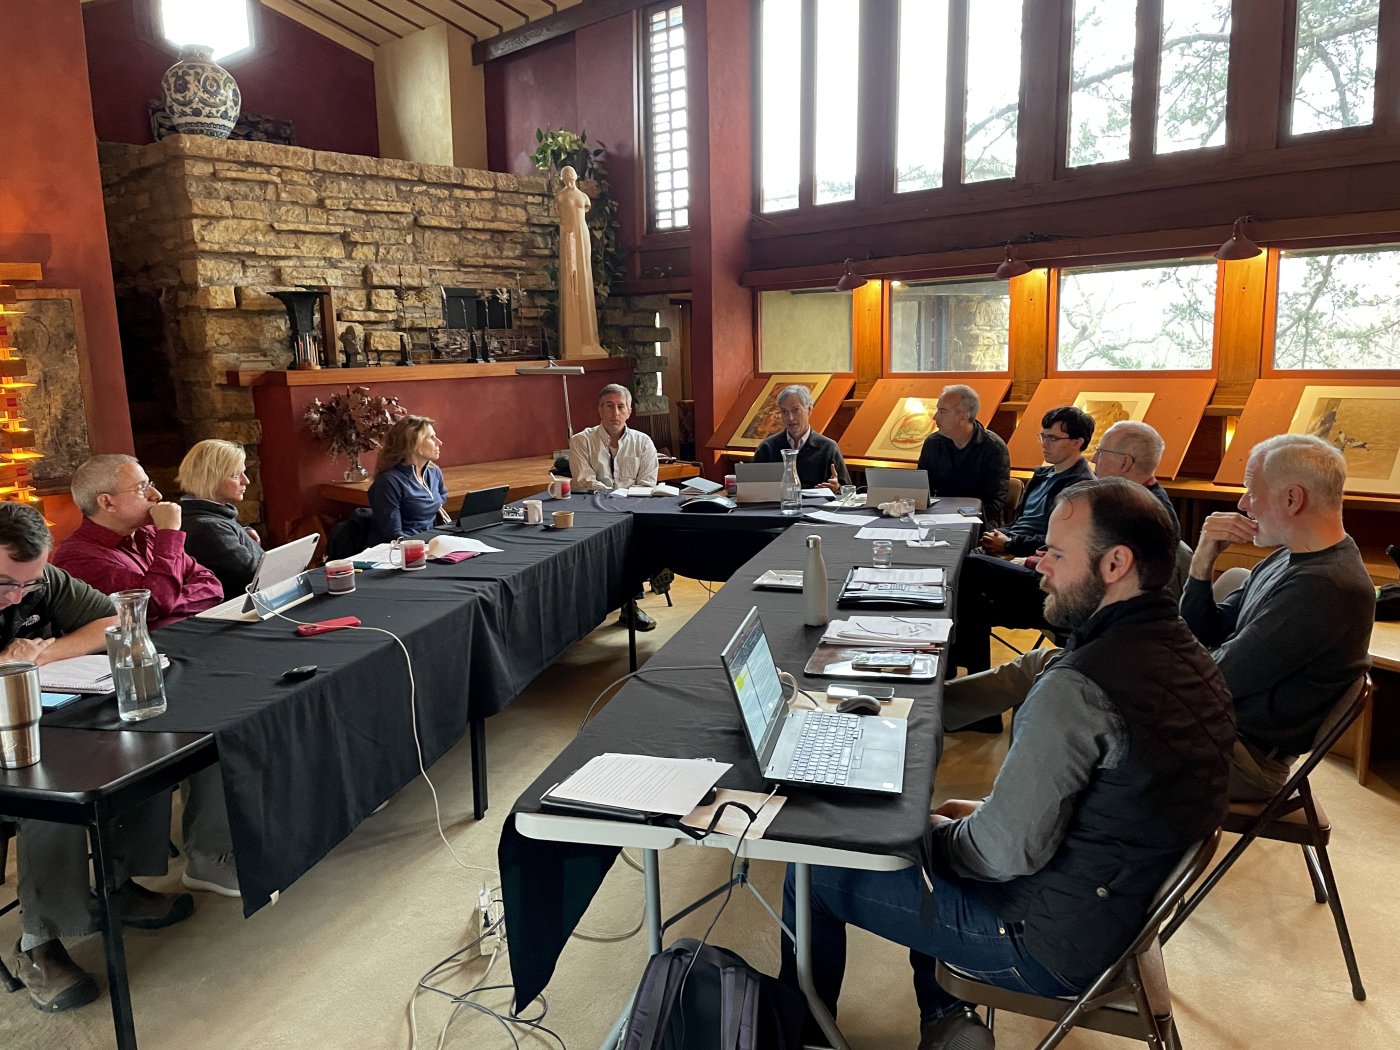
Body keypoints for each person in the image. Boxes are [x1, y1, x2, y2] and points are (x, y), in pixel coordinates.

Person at [779, 478, 1234, 1050]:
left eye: (1058, 554)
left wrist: (926, 837)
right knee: (940, 835)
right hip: (1116, 907)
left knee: (814, 869)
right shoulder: (1188, 653)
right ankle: (946, 1020)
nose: (1039, 565)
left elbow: (1000, 853)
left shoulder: (1081, 688)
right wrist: (958, 827)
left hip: (1050, 944)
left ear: (1116, 563)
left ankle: (800, 1036)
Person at [0, 502, 193, 1012]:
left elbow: (114, 620)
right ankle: (40, 942)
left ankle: (117, 884)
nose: (17, 597)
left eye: (29, 584)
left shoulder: (45, 580)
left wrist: (40, 652)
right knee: (50, 789)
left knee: (136, 739)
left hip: (35, 717)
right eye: (4, 585)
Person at [1180, 433, 1374, 801]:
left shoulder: (1326, 587)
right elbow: (1207, 630)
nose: (1242, 503)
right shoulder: (1289, 557)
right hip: (1217, 730)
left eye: (1251, 490)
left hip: (1239, 756)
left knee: (1086, 723)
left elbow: (1215, 680)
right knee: (1079, 688)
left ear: (1292, 498)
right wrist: (1202, 562)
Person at [948, 406, 1095, 677]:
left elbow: (1058, 543)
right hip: (1012, 551)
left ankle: (959, 668)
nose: (1045, 444)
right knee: (961, 583)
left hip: (1041, 571)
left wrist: (1010, 544)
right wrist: (998, 535)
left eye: (1053, 438)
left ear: (1077, 443)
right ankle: (968, 675)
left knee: (967, 571)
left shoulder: (1081, 487)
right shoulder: (1043, 474)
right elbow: (1019, 522)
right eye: (1043, 437)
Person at [53, 455, 223, 627]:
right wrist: (169, 533)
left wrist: (171, 605)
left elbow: (211, 586)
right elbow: (155, 603)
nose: (157, 495)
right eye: (142, 487)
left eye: (150, 484)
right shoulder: (77, 557)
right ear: (107, 502)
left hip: (190, 632)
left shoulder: (149, 532)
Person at [176, 439, 263, 598]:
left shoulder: (208, 516)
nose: (246, 481)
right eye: (236, 475)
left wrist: (243, 535)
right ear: (212, 478)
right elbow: (257, 576)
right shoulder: (208, 528)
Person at [915, 385, 1011, 528]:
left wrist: (955, 516)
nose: (935, 417)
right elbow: (921, 489)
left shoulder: (993, 447)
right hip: (937, 517)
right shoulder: (932, 443)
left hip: (978, 521)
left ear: (964, 416)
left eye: (942, 411)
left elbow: (993, 504)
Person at [752, 384, 851, 493]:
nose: (790, 418)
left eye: (795, 410)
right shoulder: (767, 448)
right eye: (784, 411)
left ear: (809, 409)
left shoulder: (828, 448)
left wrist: (837, 489)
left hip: (818, 508)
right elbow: (754, 491)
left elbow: (848, 491)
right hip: (778, 508)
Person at [367, 415, 450, 543]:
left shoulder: (433, 472)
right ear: (412, 443)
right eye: (431, 437)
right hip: (406, 549)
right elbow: (395, 536)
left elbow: (442, 495)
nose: (439, 442)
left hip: (432, 541)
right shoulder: (389, 482)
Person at [1090, 421, 1179, 538]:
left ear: (1125, 462)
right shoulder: (1127, 498)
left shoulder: (1146, 515)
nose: (1093, 459)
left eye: (1100, 453)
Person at [567, 383, 660, 491]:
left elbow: (647, 484)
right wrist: (614, 497)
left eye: (620, 407)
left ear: (629, 412)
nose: (615, 413)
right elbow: (584, 482)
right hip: (594, 504)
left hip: (633, 504)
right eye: (609, 406)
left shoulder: (644, 442)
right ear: (600, 410)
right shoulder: (581, 441)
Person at [555, 164, 604, 358]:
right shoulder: (560, 196)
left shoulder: (584, 197)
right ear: (563, 177)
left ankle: (590, 342)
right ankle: (575, 343)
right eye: (566, 174)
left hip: (582, 233)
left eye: (571, 173)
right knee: (572, 281)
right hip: (569, 236)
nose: (569, 176)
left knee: (584, 275)